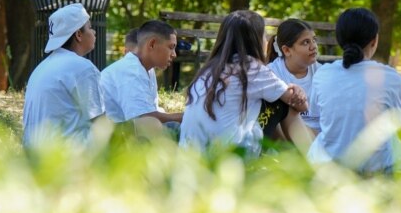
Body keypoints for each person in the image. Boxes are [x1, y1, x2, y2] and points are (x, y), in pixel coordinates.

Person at [179, 10, 309, 157]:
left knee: (274, 100)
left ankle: (285, 158)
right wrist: (296, 89)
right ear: (256, 40)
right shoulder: (251, 68)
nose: (266, 40)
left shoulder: (209, 70)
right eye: (264, 35)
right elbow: (301, 106)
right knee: (283, 105)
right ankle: (313, 162)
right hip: (228, 161)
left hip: (190, 159)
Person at [307, 8, 401, 173]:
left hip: (328, 166)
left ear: (340, 39)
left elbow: (314, 122)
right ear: (374, 40)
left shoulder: (321, 74)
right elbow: (395, 124)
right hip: (379, 168)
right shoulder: (393, 78)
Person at [22, 3, 105, 147]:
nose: (94, 32)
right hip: (68, 162)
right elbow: (101, 123)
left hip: (35, 159)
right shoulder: (83, 68)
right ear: (78, 34)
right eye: (90, 27)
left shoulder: (41, 68)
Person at [100, 20, 183, 134]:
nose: (174, 54)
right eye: (171, 47)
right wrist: (186, 117)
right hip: (112, 137)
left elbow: (150, 112)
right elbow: (146, 119)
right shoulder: (131, 70)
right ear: (152, 44)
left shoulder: (147, 68)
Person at [266, 18, 322, 135]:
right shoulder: (272, 73)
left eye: (314, 40)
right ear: (287, 50)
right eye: (306, 42)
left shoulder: (322, 72)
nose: (313, 46)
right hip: (287, 138)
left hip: (319, 137)